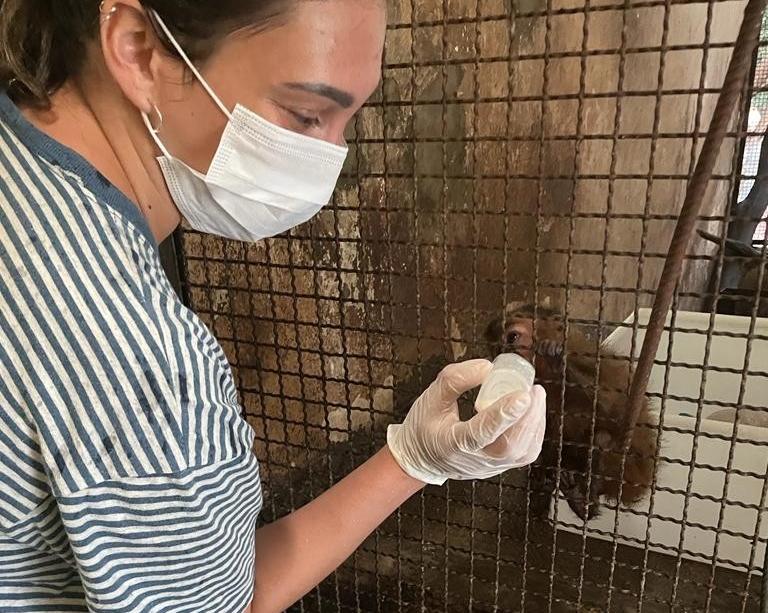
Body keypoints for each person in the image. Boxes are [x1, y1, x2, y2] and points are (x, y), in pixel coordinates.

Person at [0, 1, 547, 612]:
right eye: (307, 113)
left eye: (348, 120)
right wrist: (418, 458)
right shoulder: (141, 361)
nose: (328, 162)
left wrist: (417, 455)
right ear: (138, 50)